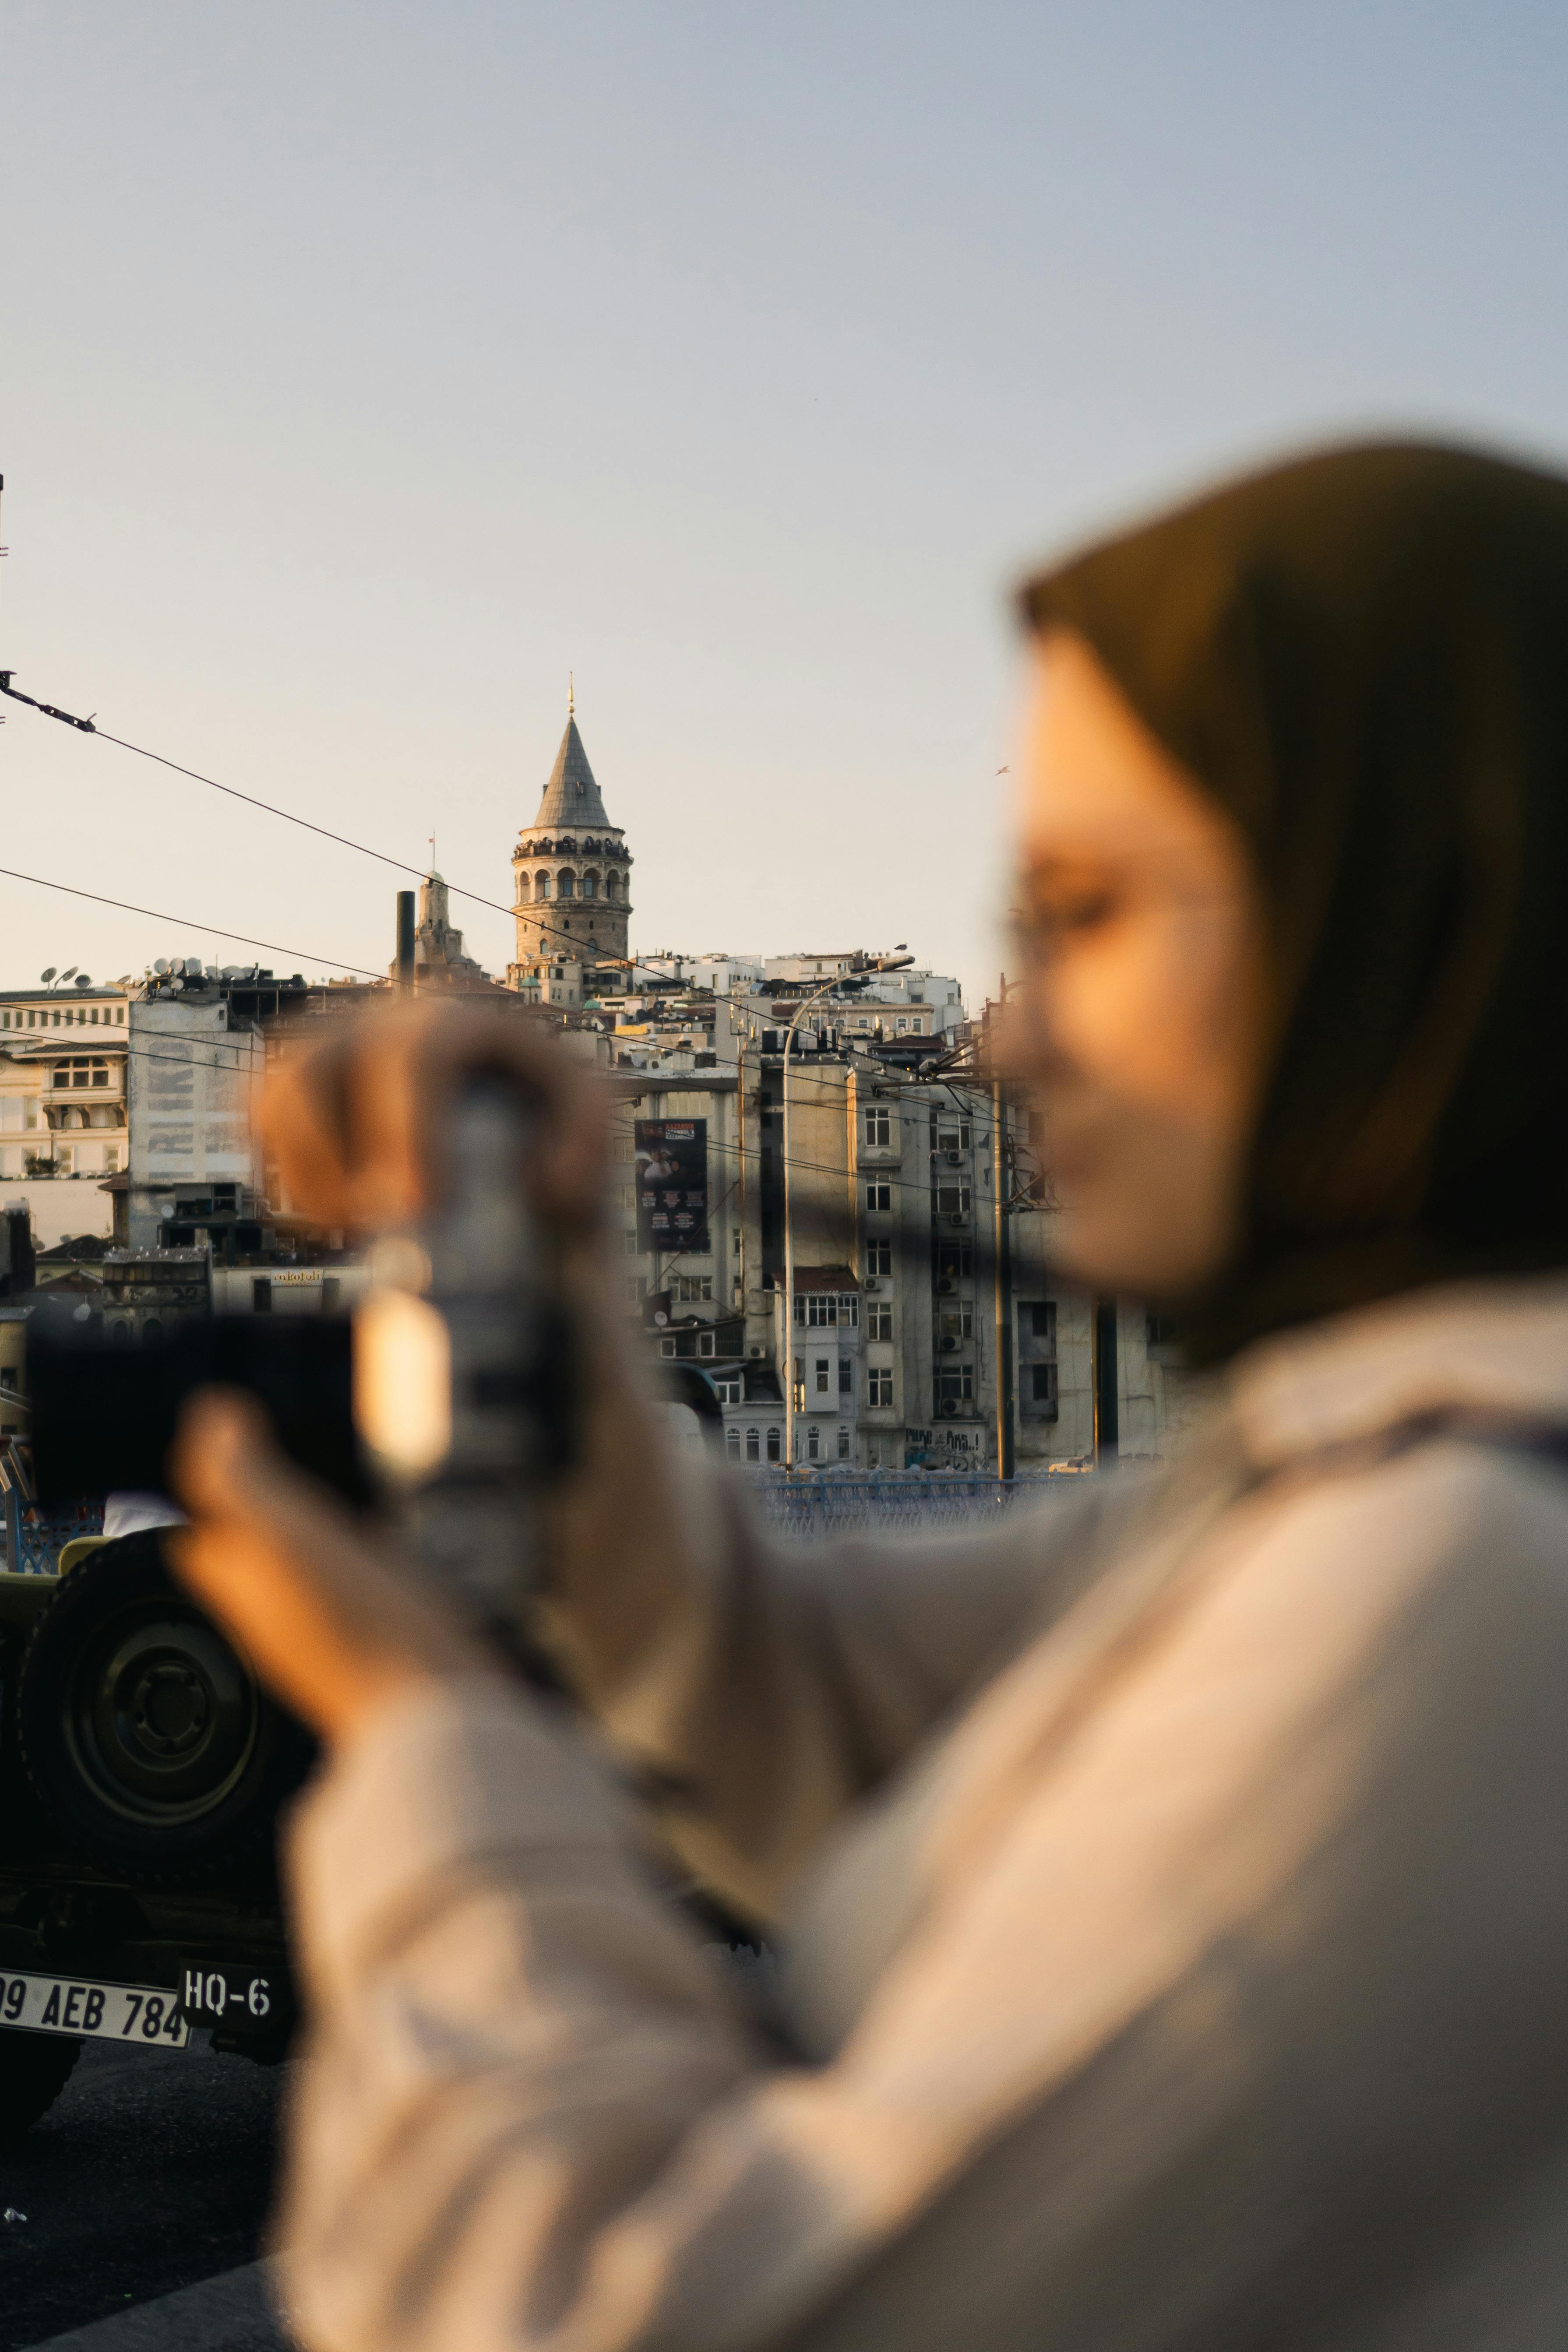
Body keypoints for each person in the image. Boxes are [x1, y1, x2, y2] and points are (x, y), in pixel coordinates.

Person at [170, 441, 1568, 2351]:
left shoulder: (1461, 1593)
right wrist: (544, 1264)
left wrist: (418, 1732)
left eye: (1084, 914)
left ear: (1400, 913)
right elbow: (809, 1706)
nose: (1003, 1039)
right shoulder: (1381, 1465)